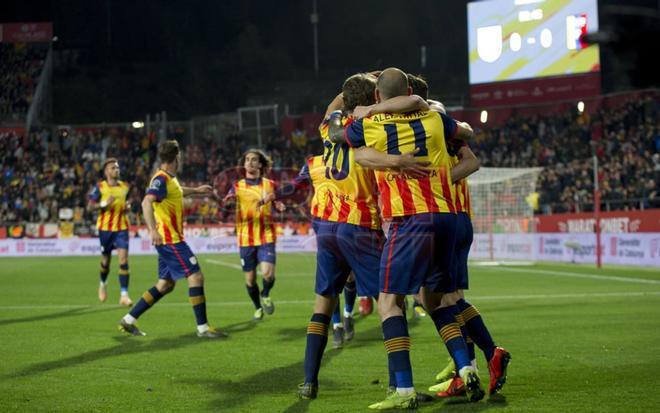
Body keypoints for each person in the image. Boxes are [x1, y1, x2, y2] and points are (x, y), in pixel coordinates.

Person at [267, 72, 429, 401]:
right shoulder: (371, 128)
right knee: (392, 302)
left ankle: (309, 382)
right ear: (374, 99)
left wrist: (351, 89)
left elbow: (333, 104)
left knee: (323, 303)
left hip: (325, 226)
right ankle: (400, 385)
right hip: (358, 224)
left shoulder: (330, 129)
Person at [344, 67, 484, 409]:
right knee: (437, 300)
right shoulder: (436, 119)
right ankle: (466, 366)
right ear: (408, 90)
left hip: (410, 220)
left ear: (378, 96)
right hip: (448, 216)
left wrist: (370, 119)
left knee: (389, 301)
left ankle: (403, 390)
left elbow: (345, 140)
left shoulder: (368, 124)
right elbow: (464, 132)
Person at [118, 140, 226, 338]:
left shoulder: (169, 179)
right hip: (171, 240)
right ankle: (203, 328)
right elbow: (146, 202)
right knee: (196, 276)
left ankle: (128, 319)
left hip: (169, 239)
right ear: (177, 156)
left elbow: (177, 191)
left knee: (165, 284)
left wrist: (197, 190)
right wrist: (153, 230)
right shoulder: (160, 178)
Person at [222, 149, 283, 320]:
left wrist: (279, 206)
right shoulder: (237, 186)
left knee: (268, 274)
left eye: (254, 160)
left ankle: (265, 294)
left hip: (266, 235)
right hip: (245, 238)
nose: (249, 162)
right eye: (247, 160)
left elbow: (277, 201)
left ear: (260, 164)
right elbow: (229, 200)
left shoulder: (269, 184)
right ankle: (257, 307)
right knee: (250, 280)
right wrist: (228, 202)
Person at [87, 158, 133, 306]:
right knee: (105, 262)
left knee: (123, 260)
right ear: (106, 171)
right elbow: (89, 207)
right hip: (105, 230)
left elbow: (127, 203)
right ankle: (102, 283)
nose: (116, 170)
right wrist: (104, 204)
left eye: (117, 168)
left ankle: (124, 295)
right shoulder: (100, 187)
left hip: (122, 228)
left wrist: (127, 206)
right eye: (113, 168)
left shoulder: (125, 187)